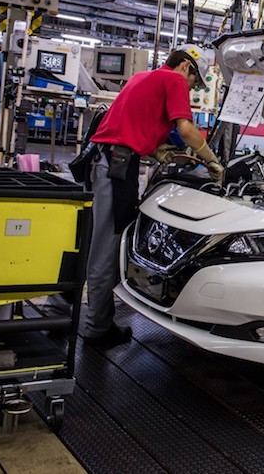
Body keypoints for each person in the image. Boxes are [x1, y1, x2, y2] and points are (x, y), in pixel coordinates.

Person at [80, 46, 224, 346]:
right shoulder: (172, 81)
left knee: (91, 241)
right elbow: (186, 129)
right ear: (185, 67)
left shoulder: (142, 78)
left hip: (105, 162)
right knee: (105, 248)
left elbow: (130, 122)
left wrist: (156, 148)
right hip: (116, 167)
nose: (191, 89)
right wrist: (212, 160)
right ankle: (96, 328)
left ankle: (89, 318)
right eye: (194, 83)